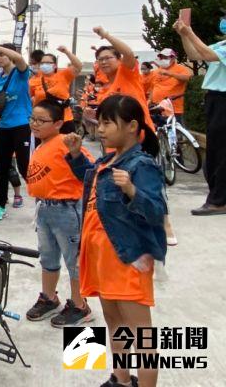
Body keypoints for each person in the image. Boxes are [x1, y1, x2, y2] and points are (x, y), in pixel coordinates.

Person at [65, 95, 166, 387]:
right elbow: (91, 183)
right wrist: (74, 156)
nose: (101, 129)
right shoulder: (108, 159)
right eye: (100, 122)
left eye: (108, 123)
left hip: (126, 257)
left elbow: (156, 210)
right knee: (113, 320)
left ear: (132, 126)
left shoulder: (141, 165)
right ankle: (121, 378)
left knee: (141, 333)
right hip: (100, 255)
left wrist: (133, 190)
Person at [25, 100, 93, 328]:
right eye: (32, 119)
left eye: (41, 121)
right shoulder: (41, 144)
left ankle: (80, 305)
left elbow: (89, 170)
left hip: (66, 210)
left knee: (74, 260)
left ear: (58, 123)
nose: (35, 124)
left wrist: (75, 154)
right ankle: (49, 297)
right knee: (48, 257)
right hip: (44, 209)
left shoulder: (65, 143)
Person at [174, 16, 226, 216]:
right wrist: (184, 35)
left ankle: (219, 201)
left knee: (221, 153)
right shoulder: (221, 43)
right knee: (214, 152)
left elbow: (207, 54)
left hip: (223, 99)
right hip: (215, 99)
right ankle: (217, 197)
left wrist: (189, 32)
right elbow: (195, 54)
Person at [0, 43, 32, 220]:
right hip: (3, 127)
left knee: (24, 166)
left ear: (10, 55)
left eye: (1, 54)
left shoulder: (20, 73)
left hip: (21, 125)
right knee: (0, 168)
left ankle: (42, 197)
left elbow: (20, 59)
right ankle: (0, 204)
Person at [90, 27, 154, 131]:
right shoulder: (103, 90)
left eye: (107, 58)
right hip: (115, 143)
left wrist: (106, 35)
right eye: (100, 59)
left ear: (119, 59)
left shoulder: (126, 73)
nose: (103, 62)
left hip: (139, 138)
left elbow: (128, 53)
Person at [30, 46, 83, 133]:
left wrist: (67, 52)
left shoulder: (63, 75)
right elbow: (30, 100)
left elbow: (78, 66)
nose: (44, 65)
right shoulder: (33, 80)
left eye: (48, 63)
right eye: (42, 63)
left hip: (64, 120)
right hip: (43, 122)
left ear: (54, 65)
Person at [148, 48, 192, 126]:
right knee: (159, 131)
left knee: (176, 131)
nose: (163, 59)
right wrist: (149, 101)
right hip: (157, 107)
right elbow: (153, 87)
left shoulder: (180, 68)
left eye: (166, 57)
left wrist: (170, 74)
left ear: (173, 57)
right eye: (161, 57)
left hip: (173, 107)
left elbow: (187, 78)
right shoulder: (158, 70)